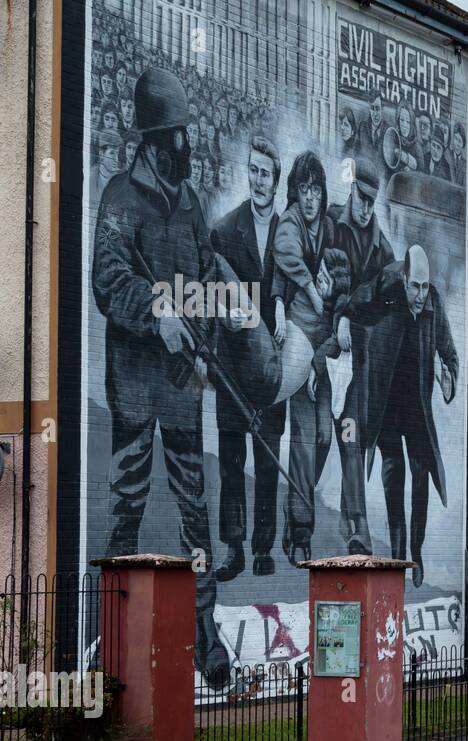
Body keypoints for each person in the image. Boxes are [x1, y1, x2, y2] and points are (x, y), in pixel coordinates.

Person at [91, 66, 228, 688]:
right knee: (126, 509)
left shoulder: (192, 201)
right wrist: (157, 312)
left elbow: (205, 274)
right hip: (135, 387)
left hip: (181, 387)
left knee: (196, 514)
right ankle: (111, 640)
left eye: (184, 133)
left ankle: (204, 631)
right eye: (174, 135)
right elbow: (107, 278)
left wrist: (205, 341)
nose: (183, 145)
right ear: (151, 138)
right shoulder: (120, 197)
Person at [333, 246, 458, 587]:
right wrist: (344, 317)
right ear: (404, 278)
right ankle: (398, 552)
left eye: (424, 286)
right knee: (394, 470)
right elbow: (358, 299)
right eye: (415, 286)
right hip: (387, 398)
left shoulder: (433, 303)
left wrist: (449, 376)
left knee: (421, 471)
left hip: (416, 403)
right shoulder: (387, 286)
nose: (420, 294)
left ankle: (415, 554)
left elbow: (448, 350)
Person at [209, 134, 284, 581]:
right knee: (232, 460)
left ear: (277, 181)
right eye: (253, 170)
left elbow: (296, 298)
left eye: (266, 173)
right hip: (233, 367)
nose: (258, 179)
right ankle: (233, 548)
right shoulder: (223, 230)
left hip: (274, 369)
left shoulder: (288, 235)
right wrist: (226, 317)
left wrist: (286, 324)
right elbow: (210, 292)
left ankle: (262, 549)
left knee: (269, 459)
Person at [269, 150, 336, 563]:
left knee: (323, 438)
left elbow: (344, 278)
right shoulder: (290, 222)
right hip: (297, 340)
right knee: (304, 445)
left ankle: (296, 503)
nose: (310, 197)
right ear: (295, 190)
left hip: (325, 348)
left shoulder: (329, 229)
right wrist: (287, 301)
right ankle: (300, 532)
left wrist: (333, 288)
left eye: (316, 189)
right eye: (304, 188)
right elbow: (282, 262)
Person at [327, 157, 394, 554]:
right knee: (328, 439)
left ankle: (352, 520)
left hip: (359, 357)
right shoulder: (332, 224)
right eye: (361, 197)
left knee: (353, 437)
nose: (366, 207)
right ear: (351, 190)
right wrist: (339, 317)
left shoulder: (381, 248)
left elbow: (386, 302)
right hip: (326, 347)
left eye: (372, 201)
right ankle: (351, 523)